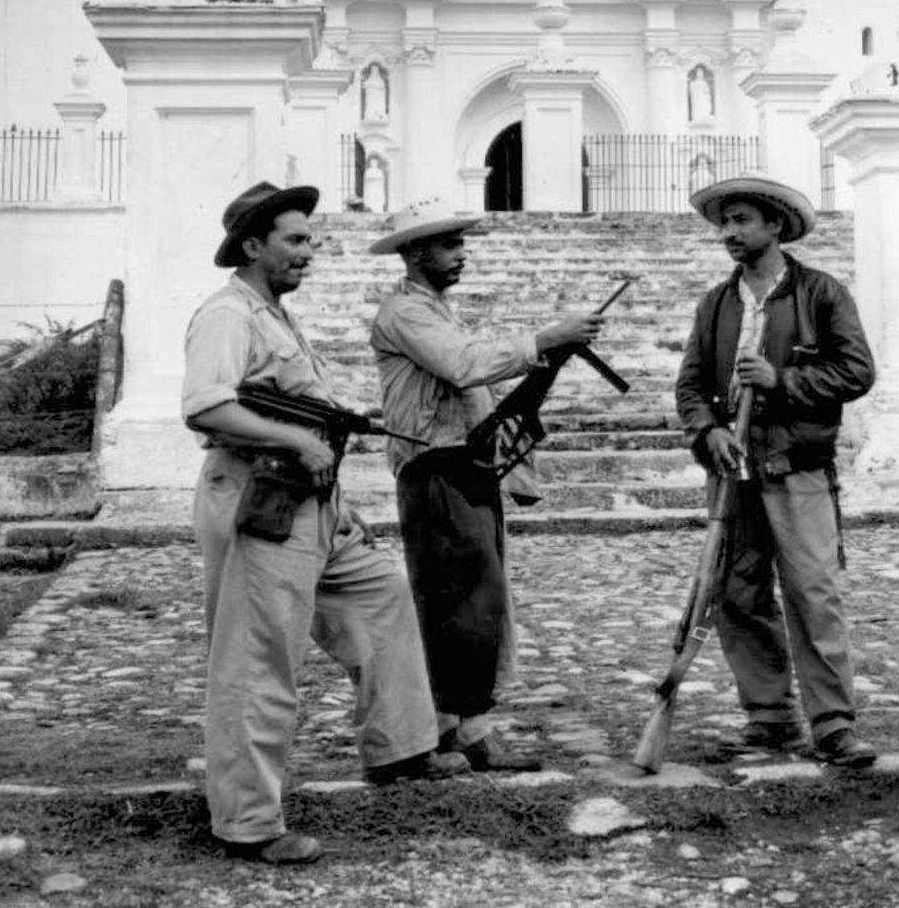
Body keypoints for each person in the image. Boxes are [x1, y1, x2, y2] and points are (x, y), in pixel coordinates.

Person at [183, 181, 461, 869]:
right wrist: (296, 438)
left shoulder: (274, 313)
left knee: (380, 593)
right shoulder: (227, 314)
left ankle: (400, 748)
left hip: (310, 497)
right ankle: (247, 821)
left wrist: (326, 463)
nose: (309, 251)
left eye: (309, 238)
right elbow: (205, 404)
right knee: (257, 655)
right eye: (295, 240)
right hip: (259, 495)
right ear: (253, 245)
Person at [368, 199, 606, 771]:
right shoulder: (406, 313)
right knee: (463, 600)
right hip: (436, 467)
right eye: (450, 245)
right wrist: (545, 339)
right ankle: (467, 735)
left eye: (460, 244)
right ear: (416, 252)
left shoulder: (436, 310)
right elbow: (462, 365)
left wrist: (545, 359)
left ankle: (454, 728)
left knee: (473, 598)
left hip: (465, 465)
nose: (461, 254)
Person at [675, 174, 878, 768]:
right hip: (732, 473)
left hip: (798, 468)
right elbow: (690, 384)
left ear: (774, 226)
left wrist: (781, 381)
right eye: (724, 223)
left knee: (815, 592)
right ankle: (769, 715)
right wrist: (704, 431)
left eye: (741, 221)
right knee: (737, 594)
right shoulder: (715, 304)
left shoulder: (820, 294)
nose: (729, 233)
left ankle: (834, 723)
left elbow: (856, 372)